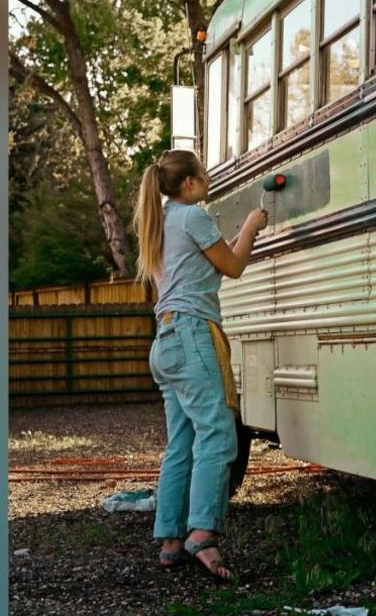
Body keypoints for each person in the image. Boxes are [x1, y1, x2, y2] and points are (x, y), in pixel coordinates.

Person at [132, 149, 268, 582]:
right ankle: (202, 534)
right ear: (188, 183)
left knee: (181, 441)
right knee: (218, 434)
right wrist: (251, 224)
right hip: (192, 335)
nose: (208, 178)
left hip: (165, 342)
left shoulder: (160, 222)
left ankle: (170, 540)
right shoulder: (192, 215)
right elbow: (234, 266)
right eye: (203, 173)